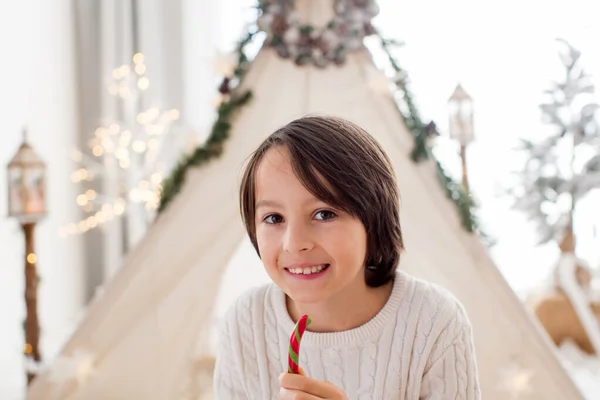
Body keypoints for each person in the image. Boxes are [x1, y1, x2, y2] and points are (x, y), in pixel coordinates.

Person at [213, 115, 481, 399]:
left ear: (373, 218)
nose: (294, 244)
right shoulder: (245, 324)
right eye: (274, 217)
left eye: (324, 214)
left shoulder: (432, 322)